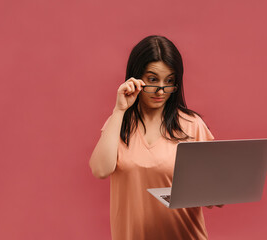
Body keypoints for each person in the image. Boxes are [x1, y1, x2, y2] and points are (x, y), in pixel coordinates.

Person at [89, 35, 224, 240]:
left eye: (169, 81)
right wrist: (119, 110)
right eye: (153, 80)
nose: (161, 90)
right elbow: (100, 169)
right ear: (136, 78)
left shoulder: (192, 125)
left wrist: (219, 193)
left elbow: (213, 191)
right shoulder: (119, 123)